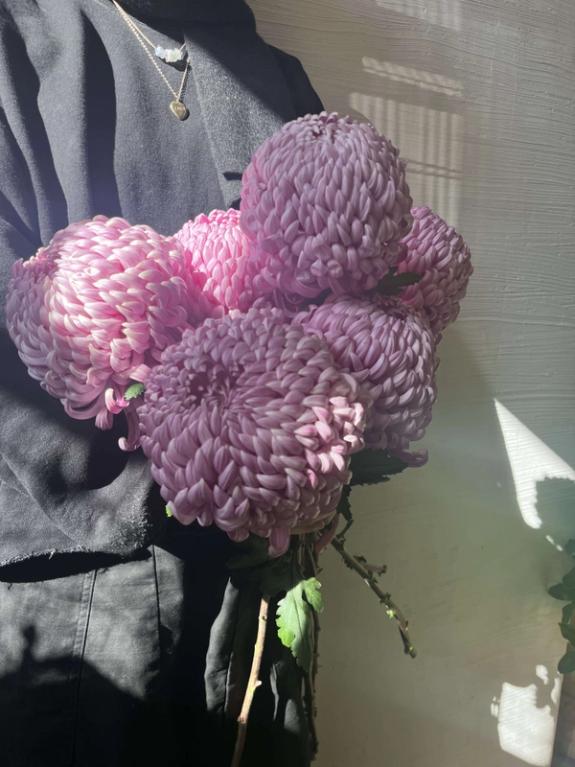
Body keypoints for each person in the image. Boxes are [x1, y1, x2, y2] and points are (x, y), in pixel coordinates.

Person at [0, 1, 323, 764]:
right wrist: (157, 479)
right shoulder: (22, 36)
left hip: (261, 573)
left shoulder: (273, 74)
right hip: (80, 584)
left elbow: (335, 298)